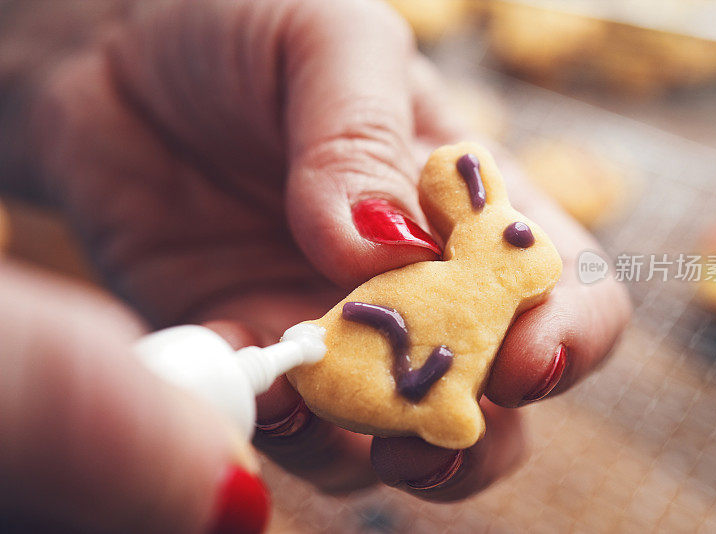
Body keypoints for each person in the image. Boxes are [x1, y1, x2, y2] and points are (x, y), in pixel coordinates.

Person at [0, 1, 630, 532]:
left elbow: (449, 363)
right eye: (519, 241)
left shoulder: (466, 304)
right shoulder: (445, 285)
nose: (532, 260)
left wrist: (88, 36)